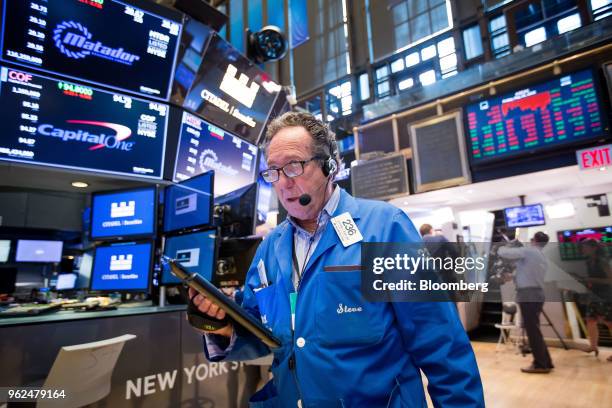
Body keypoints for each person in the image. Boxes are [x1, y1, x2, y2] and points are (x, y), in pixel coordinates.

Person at [189, 112, 484, 407]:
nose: (282, 183)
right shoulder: (270, 247)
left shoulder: (384, 227)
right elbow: (262, 334)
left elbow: (440, 343)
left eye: (293, 166)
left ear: (329, 165)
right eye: (273, 171)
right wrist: (224, 325)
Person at [497, 232, 554, 373]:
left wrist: (506, 245)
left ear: (534, 240)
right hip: (536, 293)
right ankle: (546, 362)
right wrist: (512, 276)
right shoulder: (540, 256)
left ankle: (540, 364)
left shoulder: (530, 251)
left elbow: (504, 253)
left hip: (529, 295)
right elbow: (525, 274)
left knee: (533, 331)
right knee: (535, 330)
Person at [579, 238, 612, 362]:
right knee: (590, 320)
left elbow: (610, 280)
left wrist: (590, 280)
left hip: (607, 295)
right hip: (594, 295)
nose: (582, 249)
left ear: (594, 248)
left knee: (609, 323)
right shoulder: (588, 262)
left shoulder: (603, 262)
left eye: (585, 247)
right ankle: (593, 346)